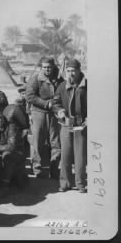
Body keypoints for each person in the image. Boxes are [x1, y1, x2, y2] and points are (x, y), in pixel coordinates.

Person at [52, 59, 87, 193]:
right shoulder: (62, 86)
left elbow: (94, 104)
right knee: (65, 156)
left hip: (81, 125)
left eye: (73, 71)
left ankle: (80, 184)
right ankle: (65, 183)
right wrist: (59, 111)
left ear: (79, 70)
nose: (71, 73)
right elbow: (55, 103)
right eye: (68, 71)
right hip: (66, 124)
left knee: (80, 157)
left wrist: (89, 118)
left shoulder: (87, 85)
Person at [26, 57, 64, 179]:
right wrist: (45, 103)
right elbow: (30, 96)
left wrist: (58, 107)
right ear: (41, 67)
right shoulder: (36, 79)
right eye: (45, 67)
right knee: (38, 142)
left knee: (56, 143)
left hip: (54, 114)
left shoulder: (58, 79)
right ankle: (37, 169)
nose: (47, 69)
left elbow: (62, 93)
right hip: (38, 113)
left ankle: (54, 170)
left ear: (53, 67)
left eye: (49, 67)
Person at [0, 105, 27, 196]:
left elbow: (12, 146)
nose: (0, 120)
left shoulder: (11, 126)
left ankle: (4, 186)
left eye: (1, 117)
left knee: (7, 156)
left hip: (18, 153)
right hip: (5, 151)